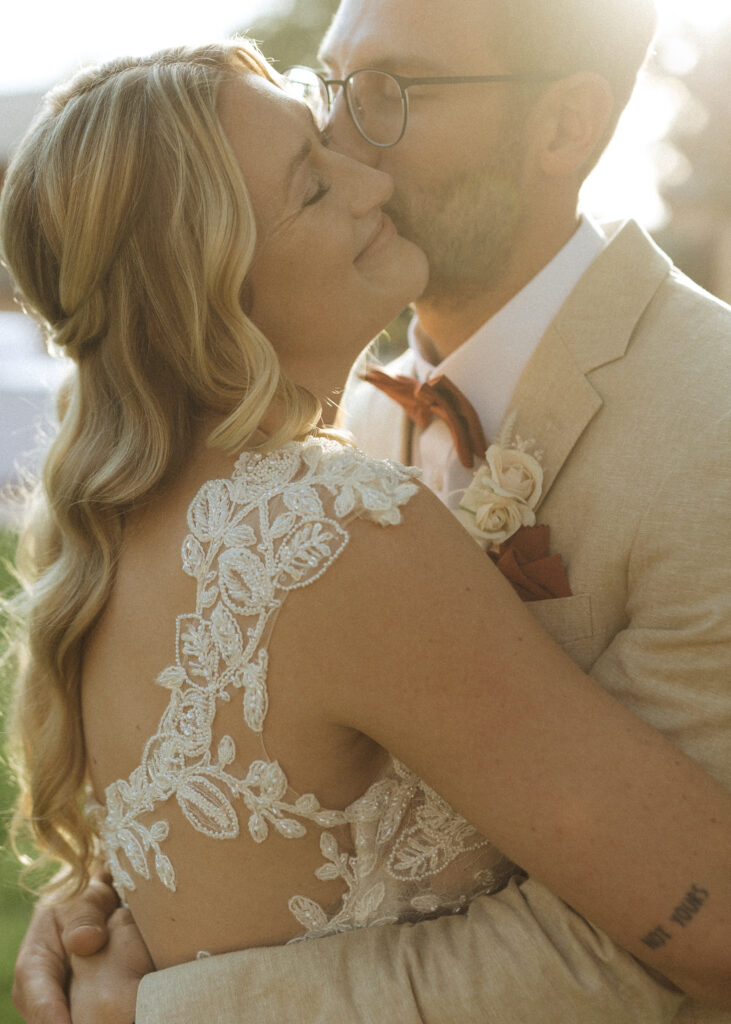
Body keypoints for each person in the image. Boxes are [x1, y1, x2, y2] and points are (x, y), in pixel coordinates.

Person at [7, 4, 731, 1022]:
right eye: (335, 89)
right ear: (210, 270)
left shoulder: (714, 425)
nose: (355, 145)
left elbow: (696, 925)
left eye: (399, 91)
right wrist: (134, 900)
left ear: (563, 127)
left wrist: (177, 1000)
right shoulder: (336, 445)